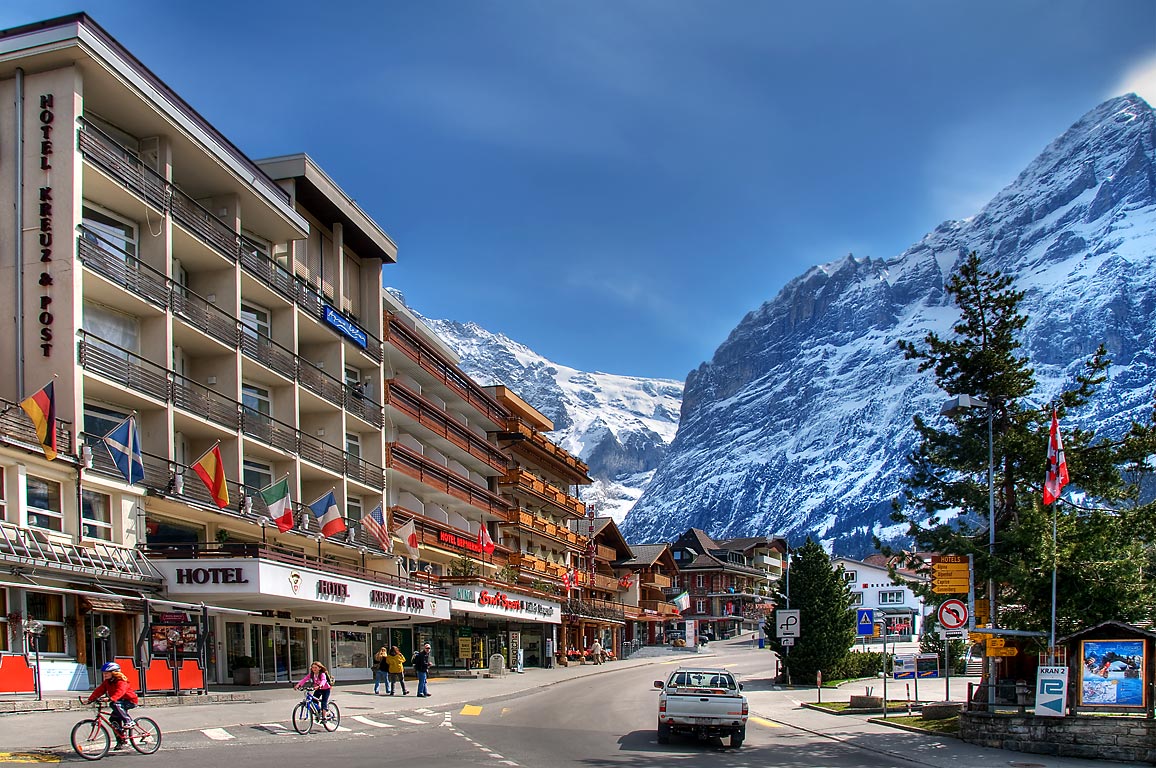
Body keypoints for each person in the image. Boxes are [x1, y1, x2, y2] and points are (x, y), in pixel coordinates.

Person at [86, 661, 139, 750]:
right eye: (104, 673)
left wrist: (111, 698)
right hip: (118, 701)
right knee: (113, 719)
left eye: (106, 673)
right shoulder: (107, 682)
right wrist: (90, 699)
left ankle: (129, 721)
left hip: (129, 701)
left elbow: (120, 691)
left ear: (114, 673)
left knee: (114, 704)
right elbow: (99, 690)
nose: (104, 675)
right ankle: (121, 741)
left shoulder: (121, 681)